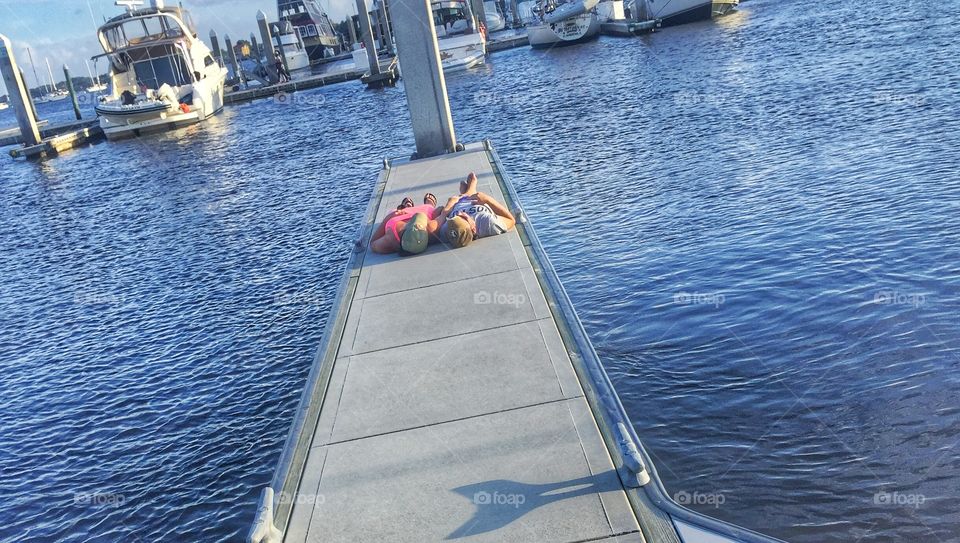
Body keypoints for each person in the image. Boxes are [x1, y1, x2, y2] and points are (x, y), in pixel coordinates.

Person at [438, 172, 516, 248]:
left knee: (456, 201)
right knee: (473, 194)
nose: (459, 214)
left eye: (454, 218)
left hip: (458, 203)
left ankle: (466, 192)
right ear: (474, 228)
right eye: (463, 218)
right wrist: (488, 199)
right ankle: (470, 190)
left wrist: (445, 211)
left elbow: (431, 229)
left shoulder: (447, 230)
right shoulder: (487, 223)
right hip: (477, 202)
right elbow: (511, 220)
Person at [370, 193, 440, 255]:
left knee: (393, 211)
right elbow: (442, 213)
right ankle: (429, 205)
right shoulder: (430, 228)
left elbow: (372, 243)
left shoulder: (391, 238)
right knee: (428, 209)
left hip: (398, 219)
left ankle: (406, 208)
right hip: (422, 215)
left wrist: (390, 216)